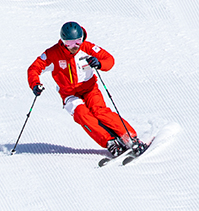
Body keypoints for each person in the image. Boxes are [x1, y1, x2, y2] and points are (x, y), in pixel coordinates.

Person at [27, 22, 147, 157]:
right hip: (69, 94)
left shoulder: (87, 48)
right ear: (63, 42)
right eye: (69, 43)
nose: (74, 47)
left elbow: (109, 59)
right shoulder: (53, 53)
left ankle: (130, 138)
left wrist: (99, 63)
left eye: (78, 42)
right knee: (82, 115)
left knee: (100, 111)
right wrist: (35, 84)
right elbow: (34, 69)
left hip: (89, 89)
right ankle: (110, 142)